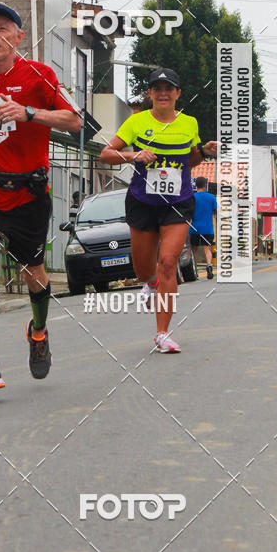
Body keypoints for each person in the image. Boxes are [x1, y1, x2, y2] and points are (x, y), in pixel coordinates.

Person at [0, 3, 81, 393]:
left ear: (18, 38)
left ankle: (38, 332)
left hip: (28, 194)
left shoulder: (40, 75)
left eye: (3, 29)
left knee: (33, 275)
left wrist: (28, 112)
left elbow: (74, 120)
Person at [99, 67, 218, 353]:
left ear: (177, 93)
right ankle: (149, 284)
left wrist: (206, 151)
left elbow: (190, 161)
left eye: (169, 88)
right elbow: (105, 154)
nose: (163, 93)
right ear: (150, 93)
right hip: (143, 202)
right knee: (144, 270)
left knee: (167, 262)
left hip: (178, 200)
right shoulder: (136, 122)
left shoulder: (189, 123)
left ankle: (162, 333)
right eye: (157, 88)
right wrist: (133, 155)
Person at [189, 176, 217, 279]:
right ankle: (209, 265)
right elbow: (215, 211)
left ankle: (194, 270)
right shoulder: (211, 197)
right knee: (207, 249)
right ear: (205, 185)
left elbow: (189, 212)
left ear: (195, 185)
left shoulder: (192, 197)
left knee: (194, 249)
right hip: (207, 228)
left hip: (194, 227)